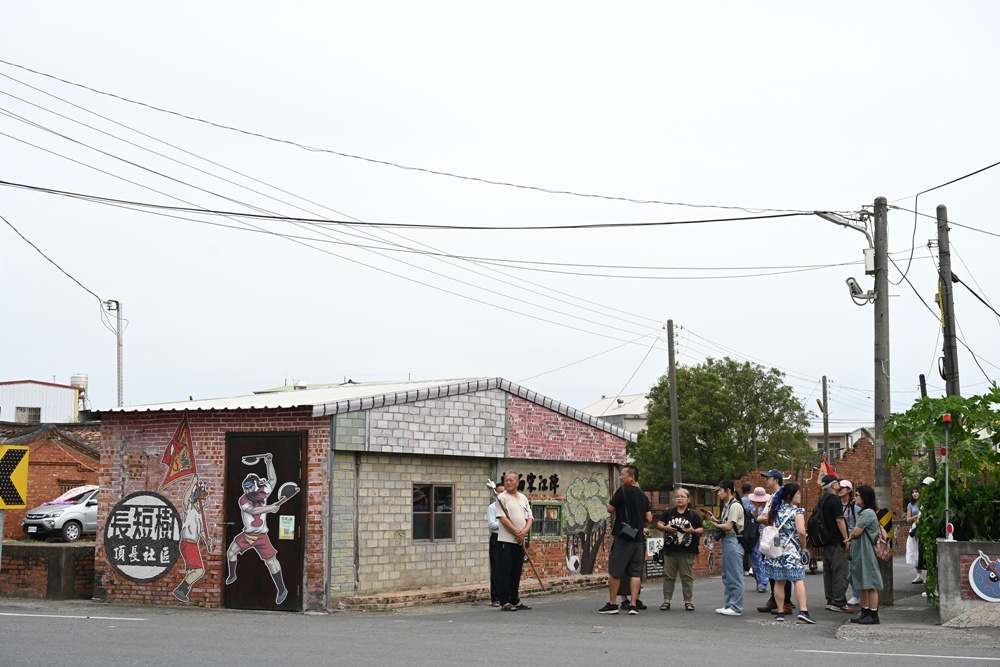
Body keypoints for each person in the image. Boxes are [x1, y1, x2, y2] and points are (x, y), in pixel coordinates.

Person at [225, 453, 289, 605]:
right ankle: (232, 575)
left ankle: (282, 589)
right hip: (247, 534)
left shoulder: (262, 492)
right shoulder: (243, 499)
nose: (246, 490)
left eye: (249, 486)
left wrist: (269, 463)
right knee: (231, 552)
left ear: (255, 485)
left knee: (271, 562)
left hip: (261, 536)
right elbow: (253, 511)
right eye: (244, 487)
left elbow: (272, 480)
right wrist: (270, 508)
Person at [598, 465, 652, 615]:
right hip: (638, 538)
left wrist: (615, 497)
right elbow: (649, 518)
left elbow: (610, 509)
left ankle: (613, 603)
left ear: (632, 477)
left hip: (624, 537)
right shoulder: (643, 495)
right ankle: (633, 605)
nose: (620, 478)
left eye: (622, 475)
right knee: (635, 573)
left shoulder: (621, 491)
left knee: (615, 571)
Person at [758, 483, 814, 623]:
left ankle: (780, 612)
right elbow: (801, 532)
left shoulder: (775, 510)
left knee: (779, 580)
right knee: (798, 579)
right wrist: (803, 548)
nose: (800, 496)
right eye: (798, 493)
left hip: (777, 550)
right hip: (791, 551)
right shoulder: (797, 511)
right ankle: (803, 610)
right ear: (790, 496)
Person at [655, 487, 703, 611]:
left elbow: (700, 529)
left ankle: (688, 601)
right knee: (668, 576)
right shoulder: (669, 512)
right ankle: (666, 601)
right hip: (670, 550)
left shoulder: (693, 514)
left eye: (682, 496)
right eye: (677, 496)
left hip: (687, 550)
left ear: (688, 499)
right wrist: (666, 528)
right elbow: (659, 524)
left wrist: (692, 531)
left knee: (686, 576)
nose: (680, 499)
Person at [755, 469, 793, 614]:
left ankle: (786, 602)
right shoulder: (772, 496)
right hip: (770, 536)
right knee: (771, 566)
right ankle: (775, 599)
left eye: (768, 478)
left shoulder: (782, 496)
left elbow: (773, 517)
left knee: (781, 567)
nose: (766, 481)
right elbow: (762, 516)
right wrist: (761, 518)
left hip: (778, 536)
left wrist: (763, 518)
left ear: (776, 480)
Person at [705, 479, 744, 616]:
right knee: (727, 575)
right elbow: (725, 523)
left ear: (728, 490)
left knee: (735, 575)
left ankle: (736, 606)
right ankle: (729, 604)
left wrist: (716, 525)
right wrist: (715, 521)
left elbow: (728, 526)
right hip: (728, 541)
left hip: (734, 541)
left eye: (720, 490)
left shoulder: (734, 506)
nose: (719, 493)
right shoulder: (728, 505)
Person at [172, 474, 214, 602]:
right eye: (203, 500)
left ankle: (182, 590)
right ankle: (181, 589)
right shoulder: (190, 509)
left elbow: (201, 530)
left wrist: (206, 539)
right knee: (199, 571)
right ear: (196, 500)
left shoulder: (200, 516)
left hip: (192, 544)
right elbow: (185, 498)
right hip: (187, 543)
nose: (205, 503)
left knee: (194, 571)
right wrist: (193, 483)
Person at [847, 484, 884, 625]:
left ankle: (873, 614)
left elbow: (857, 531)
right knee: (862, 582)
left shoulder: (867, 513)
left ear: (864, 498)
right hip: (860, 553)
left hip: (866, 552)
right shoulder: (864, 512)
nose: (855, 498)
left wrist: (850, 536)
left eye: (857, 495)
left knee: (870, 583)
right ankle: (865, 611)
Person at [495, 471, 533, 611]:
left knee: (516, 571)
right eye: (506, 480)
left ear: (517, 482)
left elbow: (530, 517)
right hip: (506, 540)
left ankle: (515, 599)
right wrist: (516, 532)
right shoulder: (501, 498)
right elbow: (503, 518)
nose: (508, 483)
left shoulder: (523, 497)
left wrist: (524, 532)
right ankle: (504, 601)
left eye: (511, 480)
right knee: (505, 571)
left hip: (520, 540)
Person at [817, 474, 853, 613]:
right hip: (836, 540)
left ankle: (830, 599)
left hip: (825, 540)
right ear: (832, 485)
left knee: (829, 572)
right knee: (841, 571)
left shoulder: (822, 500)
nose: (839, 485)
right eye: (837, 483)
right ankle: (839, 602)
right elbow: (839, 520)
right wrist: (846, 539)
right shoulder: (835, 500)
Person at [839, 480, 861, 605]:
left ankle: (856, 595)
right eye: (839, 488)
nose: (840, 490)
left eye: (843, 488)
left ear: (849, 490)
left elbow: (859, 524)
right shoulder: (837, 505)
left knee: (853, 569)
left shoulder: (854, 506)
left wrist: (851, 538)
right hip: (841, 540)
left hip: (852, 541)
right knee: (843, 570)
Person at [747, 486, 771, 593]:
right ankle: (763, 582)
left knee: (755, 560)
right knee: (765, 560)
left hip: (753, 537)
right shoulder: (767, 509)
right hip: (766, 536)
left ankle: (760, 581)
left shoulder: (749, 508)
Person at [906, 485, 925, 584]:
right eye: (913, 492)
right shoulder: (910, 505)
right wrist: (918, 516)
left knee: (923, 550)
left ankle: (929, 575)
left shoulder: (924, 503)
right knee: (914, 550)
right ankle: (918, 575)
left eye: (916, 492)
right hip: (915, 528)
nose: (915, 494)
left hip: (924, 528)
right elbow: (908, 519)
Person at [487, 495, 502, 607]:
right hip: (497, 538)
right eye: (499, 492)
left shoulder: (509, 506)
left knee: (507, 568)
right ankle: (495, 598)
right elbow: (492, 525)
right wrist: (505, 522)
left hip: (509, 537)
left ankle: (507, 596)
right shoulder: (493, 507)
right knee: (497, 569)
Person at [741, 482, 754, 575]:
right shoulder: (752, 500)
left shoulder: (739, 501)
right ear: (751, 490)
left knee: (744, 547)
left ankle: (745, 568)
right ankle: (752, 567)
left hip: (742, 526)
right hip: (752, 526)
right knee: (753, 546)